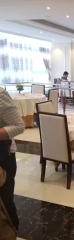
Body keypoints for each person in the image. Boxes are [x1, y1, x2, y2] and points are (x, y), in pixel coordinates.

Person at [0, 88, 25, 230]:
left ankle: (10, 235)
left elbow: (19, 126)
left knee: (5, 201)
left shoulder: (0, 94)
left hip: (3, 157)